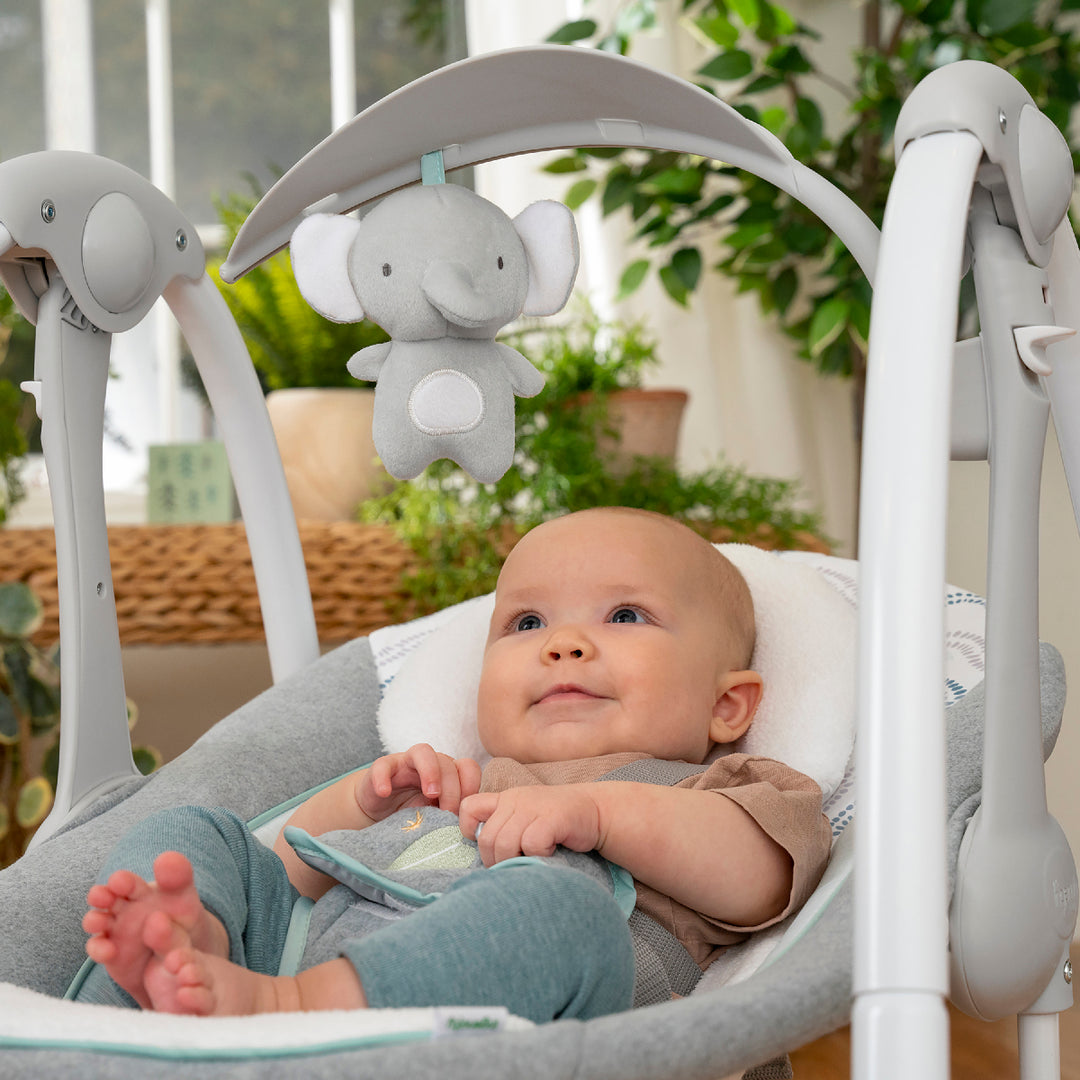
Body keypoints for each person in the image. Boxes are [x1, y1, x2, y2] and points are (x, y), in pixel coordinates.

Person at [81, 507, 831, 1020]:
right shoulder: (455, 781)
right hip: (294, 958)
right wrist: (357, 806)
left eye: (625, 615)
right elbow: (290, 871)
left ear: (728, 707)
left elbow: (758, 877)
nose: (561, 644)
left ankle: (285, 1013)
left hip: (519, 1020)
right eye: (528, 622)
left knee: (558, 910)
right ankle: (180, 953)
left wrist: (598, 815)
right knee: (200, 833)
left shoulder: (723, 790)